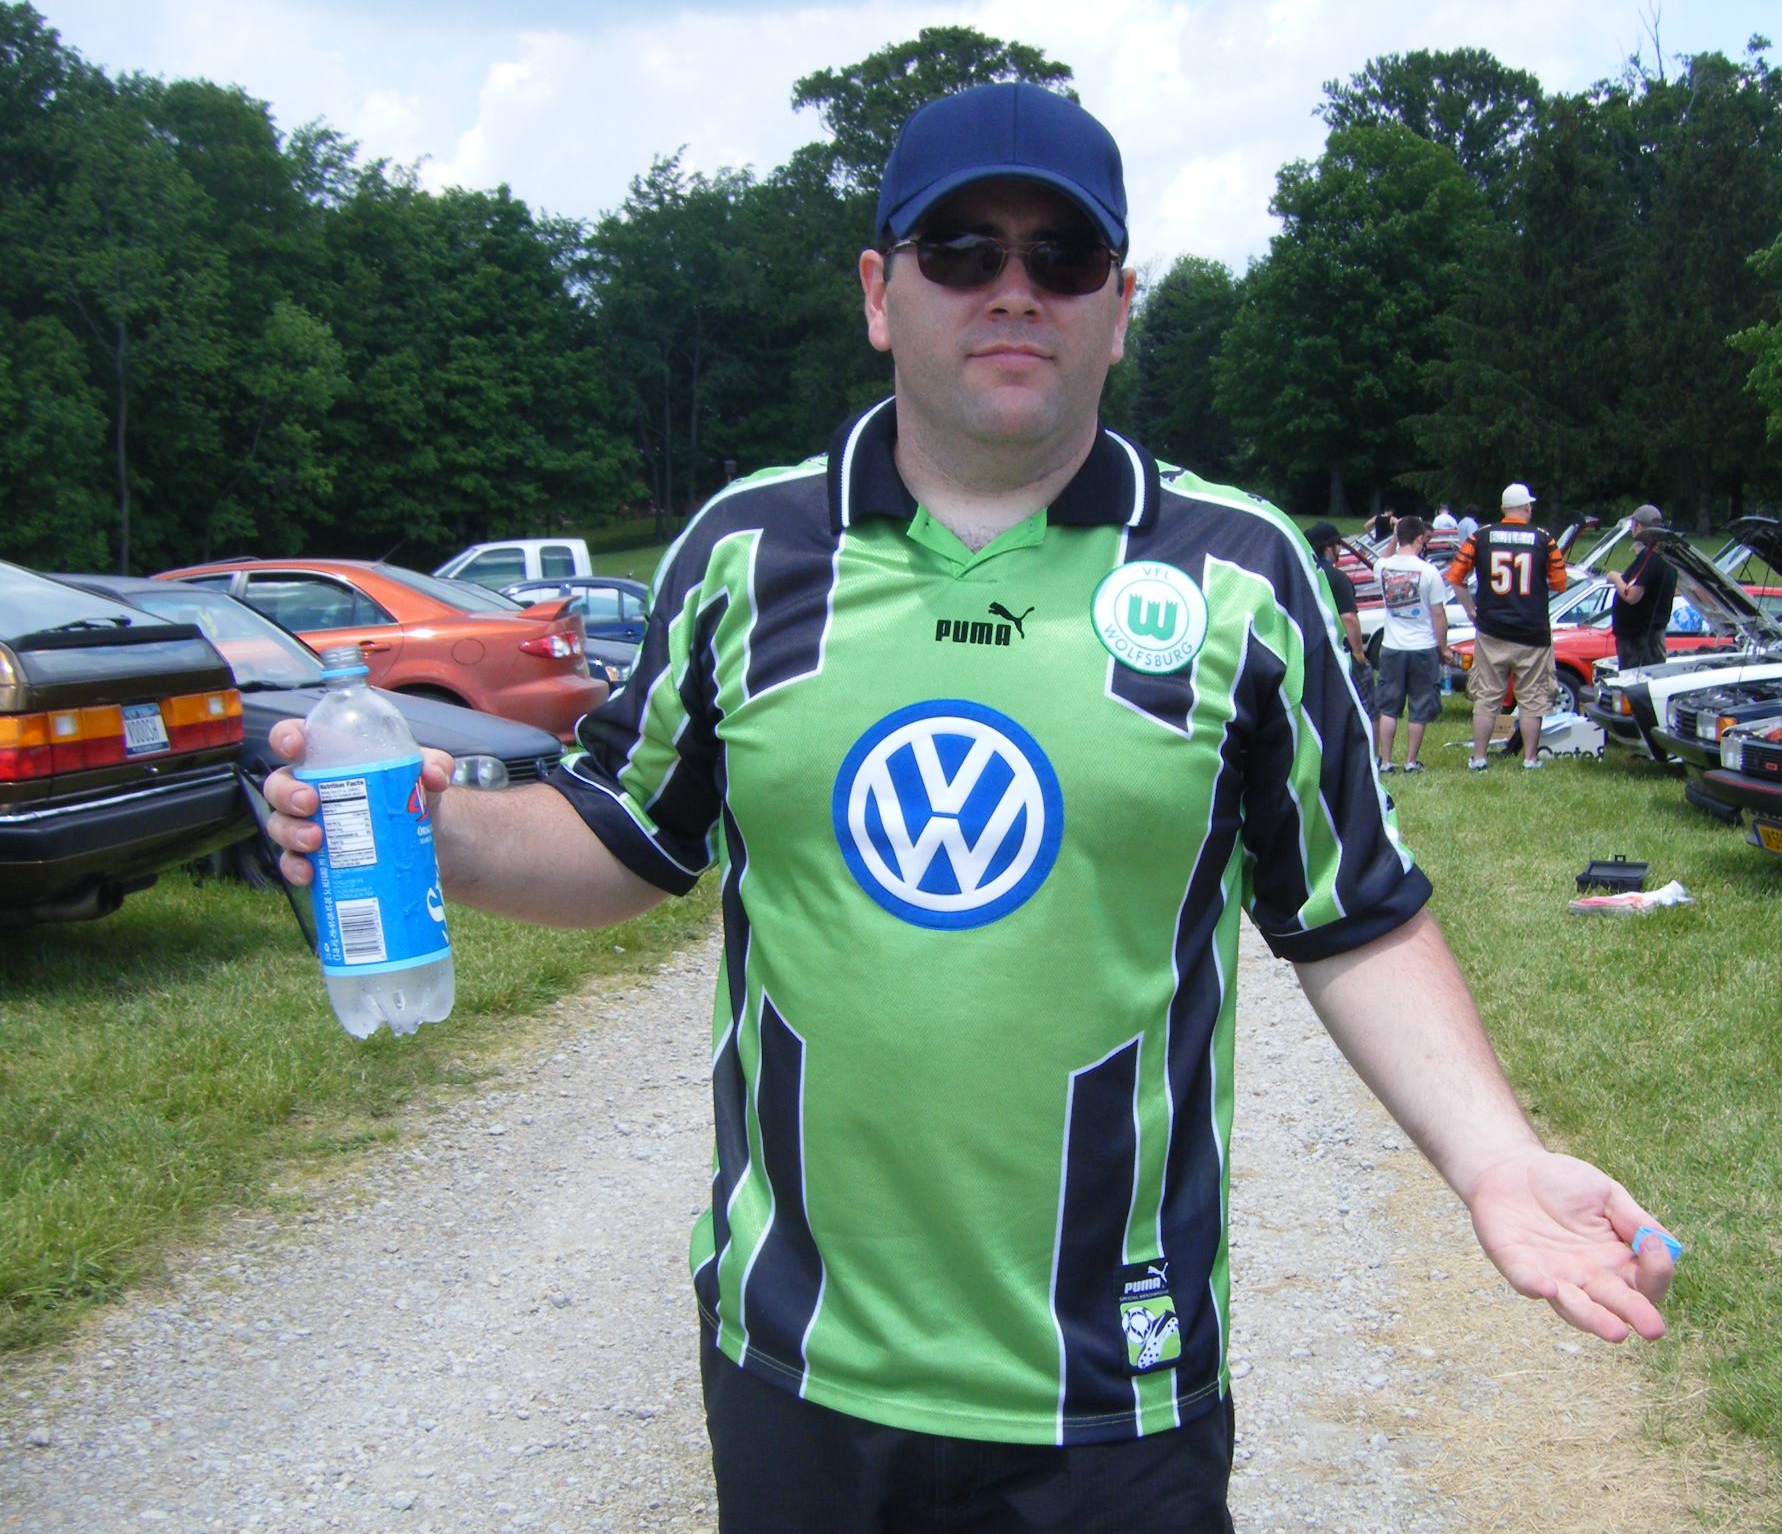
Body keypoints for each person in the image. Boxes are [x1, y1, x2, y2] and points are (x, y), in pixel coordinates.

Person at [261, 84, 1675, 1534]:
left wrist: (1497, 1162)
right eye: (960, 251)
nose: (1013, 289)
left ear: (1118, 305)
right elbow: (624, 843)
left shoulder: (1237, 574)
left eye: (1062, 256)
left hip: (1115, 1390)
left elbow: (1352, 915)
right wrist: (428, 830)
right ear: (881, 294)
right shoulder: (746, 554)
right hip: (797, 1369)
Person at [1445, 482, 1569, 771]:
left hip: (1492, 630)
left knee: (1487, 697)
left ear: (1502, 509)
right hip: (1532, 631)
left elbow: (1455, 577)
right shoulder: (1544, 539)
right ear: (1527, 507)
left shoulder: (1480, 536)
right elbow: (1560, 584)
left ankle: (1479, 758)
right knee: (1532, 700)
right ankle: (1530, 759)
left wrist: (1471, 609)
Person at [1373, 516, 1456, 772]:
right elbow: (1438, 614)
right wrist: (1443, 647)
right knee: (1419, 706)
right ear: (1420, 538)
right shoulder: (1429, 572)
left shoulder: (1383, 567)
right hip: (1422, 645)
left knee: (1389, 707)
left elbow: (1382, 558)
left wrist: (1394, 537)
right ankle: (1410, 761)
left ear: (1399, 537)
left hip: (1392, 645)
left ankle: (1386, 760)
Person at [1306, 519, 1372, 696]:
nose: (1341, 548)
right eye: (1339, 544)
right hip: (1336, 652)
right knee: (1362, 702)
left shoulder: (1303, 573)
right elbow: (1348, 618)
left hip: (1308, 651)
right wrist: (1358, 652)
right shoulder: (1337, 578)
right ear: (1329, 547)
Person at [1608, 504, 1677, 671]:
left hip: (1640, 640)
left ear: (1638, 526)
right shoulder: (1664, 554)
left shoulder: (1651, 556)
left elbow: (1632, 596)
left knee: (1637, 682)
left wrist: (1615, 578)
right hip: (1646, 636)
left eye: (1633, 525)